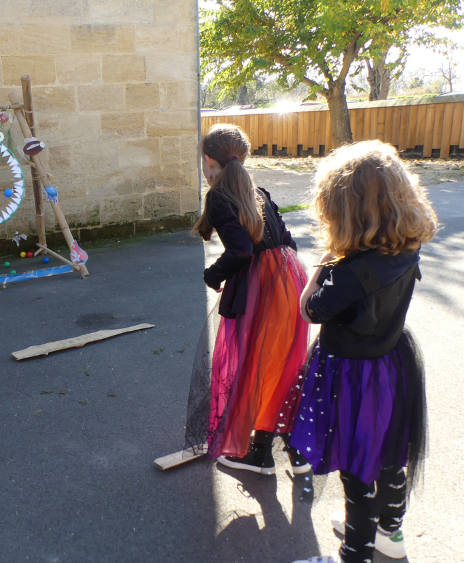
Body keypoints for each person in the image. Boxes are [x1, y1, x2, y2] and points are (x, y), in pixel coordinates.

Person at [290, 141, 437, 563]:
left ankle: (354, 552)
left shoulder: (350, 271)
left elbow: (309, 309)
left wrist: (325, 261)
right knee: (391, 454)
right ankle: (390, 535)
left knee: (356, 466)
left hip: (354, 376)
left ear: (346, 209)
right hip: (393, 363)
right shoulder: (407, 244)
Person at [183, 124, 310, 476]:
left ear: (208, 161)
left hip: (265, 287)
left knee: (253, 364)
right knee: (281, 364)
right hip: (289, 277)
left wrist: (213, 275)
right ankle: (277, 452)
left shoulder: (220, 197)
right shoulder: (259, 192)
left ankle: (257, 453)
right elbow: (287, 241)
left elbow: (240, 251)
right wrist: (284, 275)